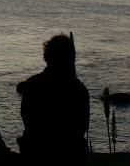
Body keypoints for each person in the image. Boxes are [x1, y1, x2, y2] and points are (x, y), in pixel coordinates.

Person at [17, 33, 89, 163]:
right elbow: (82, 126)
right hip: (70, 154)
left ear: (46, 56)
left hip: (36, 152)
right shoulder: (79, 89)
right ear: (71, 58)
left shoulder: (32, 85)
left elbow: (26, 118)